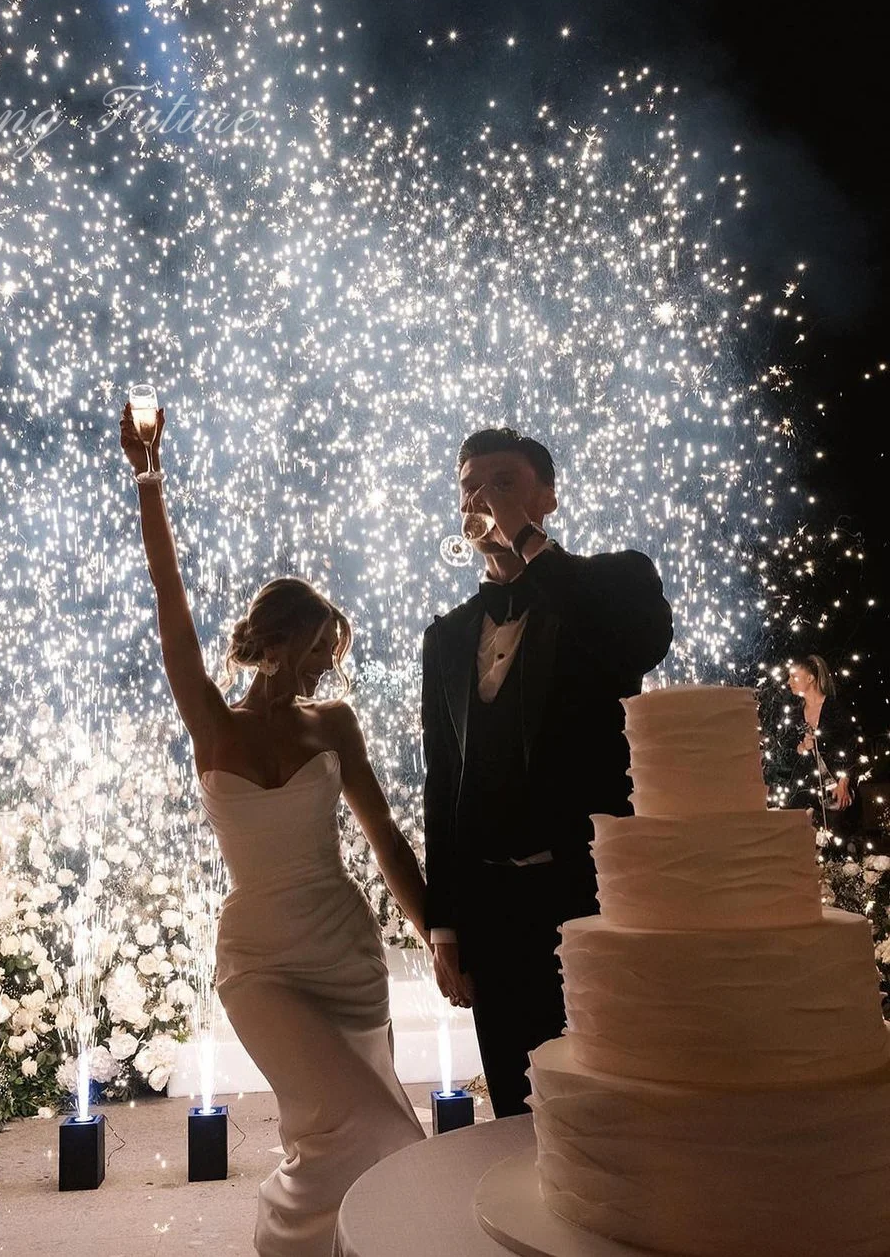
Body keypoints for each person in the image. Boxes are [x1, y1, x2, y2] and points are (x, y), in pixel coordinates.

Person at [120, 403, 425, 1257]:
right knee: (365, 1129)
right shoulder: (210, 722)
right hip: (258, 961)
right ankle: (287, 1245)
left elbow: (387, 839)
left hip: (345, 952)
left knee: (364, 1132)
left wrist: (438, 930)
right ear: (285, 637)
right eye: (323, 643)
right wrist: (149, 481)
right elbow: (170, 610)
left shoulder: (335, 725)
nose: (331, 660)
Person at [422, 427, 673, 1118]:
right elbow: (441, 782)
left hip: (591, 896)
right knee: (515, 1104)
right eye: (470, 485)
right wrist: (443, 925)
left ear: (549, 497)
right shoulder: (446, 636)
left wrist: (528, 543)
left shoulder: (615, 582)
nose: (482, 497)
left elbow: (638, 643)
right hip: (491, 910)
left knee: (608, 1099)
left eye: (503, 481)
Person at [776, 655, 867, 832]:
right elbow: (785, 752)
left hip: (836, 794)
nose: (789, 682)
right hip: (806, 793)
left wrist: (844, 783)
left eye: (794, 677)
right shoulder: (794, 715)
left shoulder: (836, 708)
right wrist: (802, 747)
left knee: (836, 846)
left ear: (810, 678)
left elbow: (852, 745)